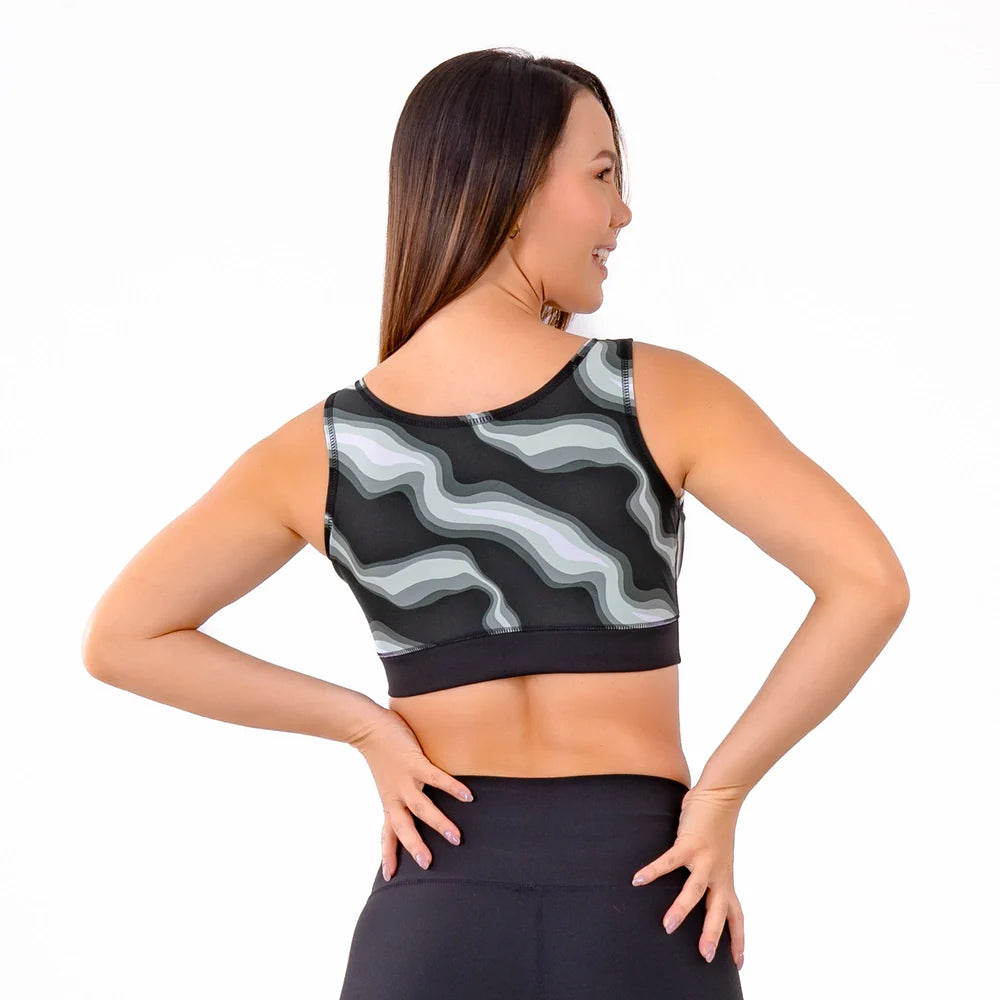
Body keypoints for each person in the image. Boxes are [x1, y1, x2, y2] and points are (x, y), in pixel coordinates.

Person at [81, 47, 910, 999]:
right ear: (512, 188)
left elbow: (123, 637)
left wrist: (364, 727)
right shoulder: (654, 393)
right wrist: (720, 792)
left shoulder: (324, 449)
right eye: (602, 176)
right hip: (650, 896)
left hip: (434, 910)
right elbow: (869, 583)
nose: (623, 213)